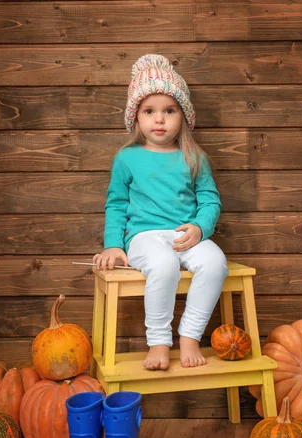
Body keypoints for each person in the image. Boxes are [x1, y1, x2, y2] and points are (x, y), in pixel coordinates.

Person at [93, 54, 229, 371]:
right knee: (164, 264)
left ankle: (190, 336)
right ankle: (158, 342)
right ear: (136, 117)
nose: (159, 119)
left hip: (185, 234)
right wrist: (113, 243)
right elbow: (116, 203)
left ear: (183, 116)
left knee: (214, 262)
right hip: (145, 238)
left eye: (169, 111)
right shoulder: (127, 158)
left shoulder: (194, 157)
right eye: (149, 111)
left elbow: (210, 199)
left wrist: (200, 228)